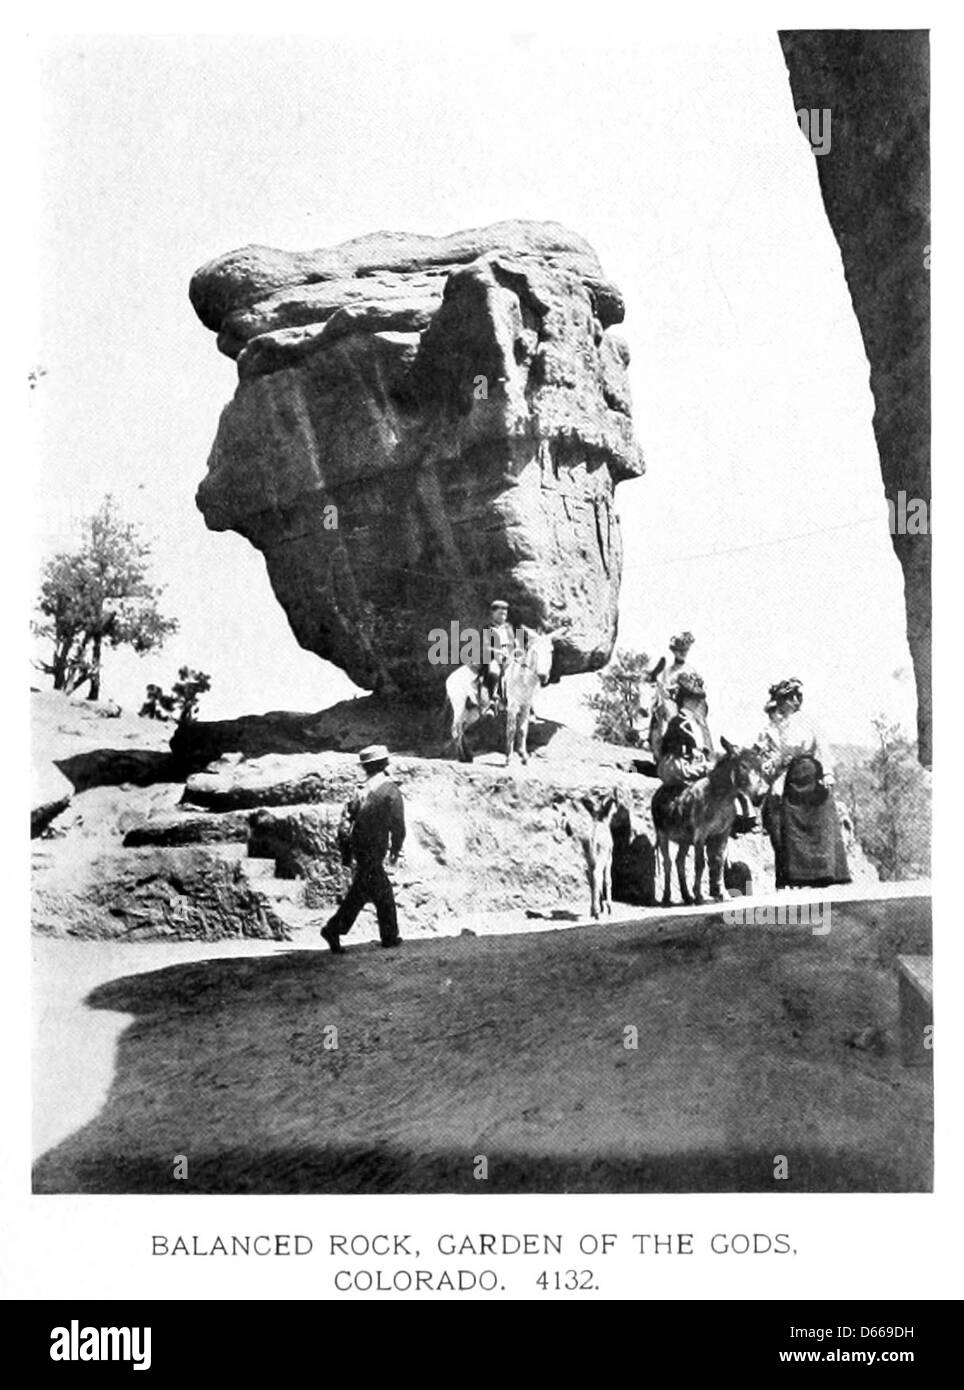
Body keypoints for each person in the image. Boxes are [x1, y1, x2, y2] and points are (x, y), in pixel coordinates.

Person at [756, 677, 850, 889]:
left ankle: (824, 873)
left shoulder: (808, 720)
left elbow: (822, 746)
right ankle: (799, 876)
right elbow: (778, 755)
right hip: (792, 778)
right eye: (789, 698)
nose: (795, 701)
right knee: (793, 825)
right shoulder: (779, 726)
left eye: (796, 697)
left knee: (819, 824)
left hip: (812, 775)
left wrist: (827, 773)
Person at [321, 744, 406, 952]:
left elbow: (349, 819)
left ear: (366, 767)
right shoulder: (390, 790)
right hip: (375, 848)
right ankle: (334, 929)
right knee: (369, 892)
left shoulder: (360, 789)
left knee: (376, 891)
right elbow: (398, 825)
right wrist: (396, 848)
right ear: (384, 763)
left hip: (359, 847)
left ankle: (388, 936)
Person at [656, 671, 715, 786]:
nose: (698, 703)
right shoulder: (677, 723)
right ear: (686, 700)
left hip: (690, 764)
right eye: (694, 700)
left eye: (698, 700)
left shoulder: (693, 723)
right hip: (676, 766)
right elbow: (670, 750)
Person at [478, 599, 516, 709]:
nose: (502, 616)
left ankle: (528, 706)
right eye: (500, 613)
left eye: (504, 613)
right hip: (493, 657)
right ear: (493, 613)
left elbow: (512, 642)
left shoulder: (508, 627)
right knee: (494, 671)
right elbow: (486, 646)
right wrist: (499, 651)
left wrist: (512, 651)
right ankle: (492, 699)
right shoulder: (488, 628)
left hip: (508, 656)